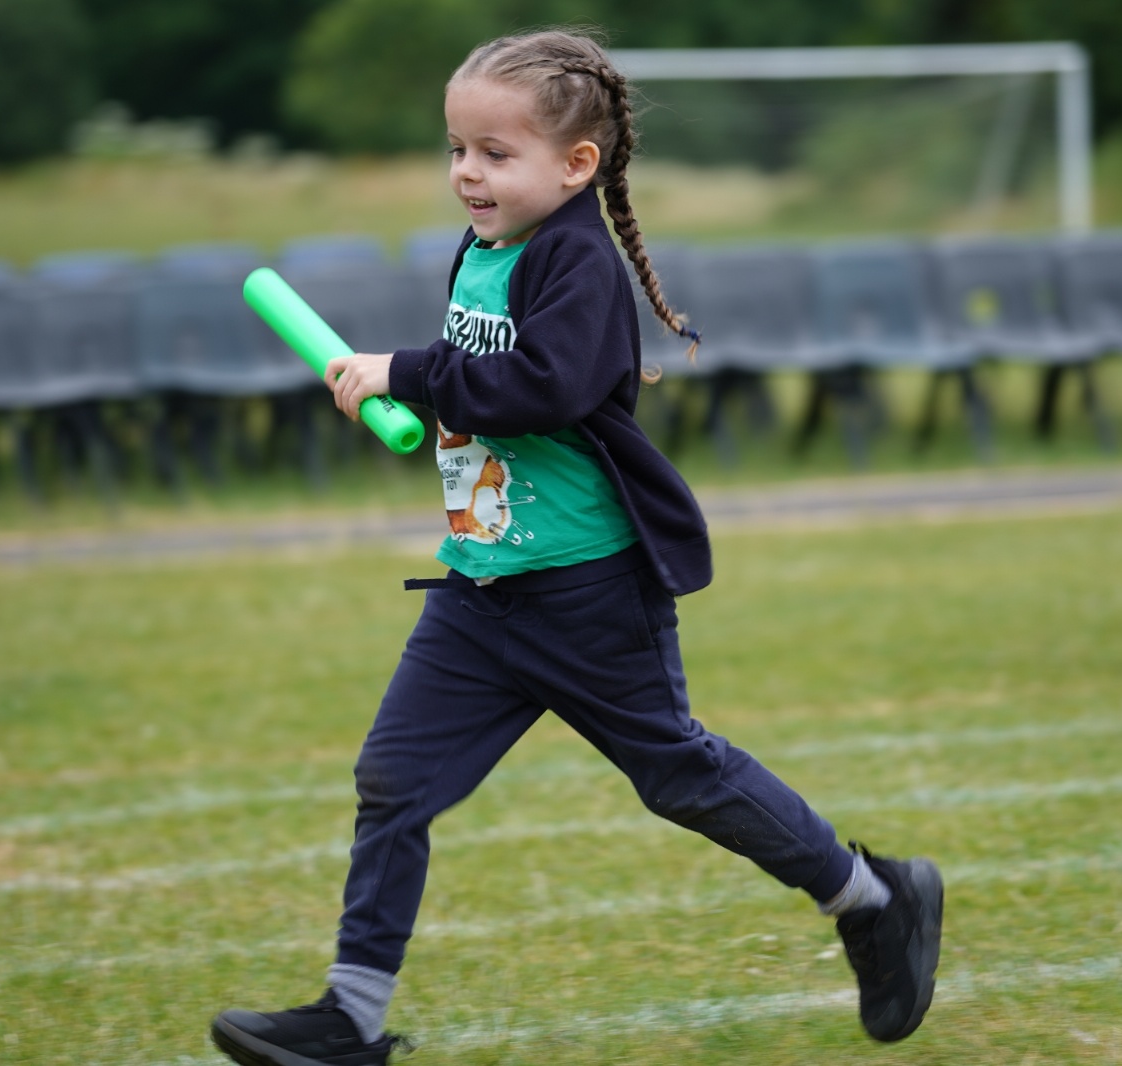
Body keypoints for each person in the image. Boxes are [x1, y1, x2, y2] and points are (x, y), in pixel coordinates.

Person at [208, 30, 942, 1066]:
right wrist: (407, 386)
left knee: (679, 776)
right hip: (479, 592)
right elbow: (474, 380)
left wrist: (404, 373)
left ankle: (874, 898)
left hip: (586, 592)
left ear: (576, 164)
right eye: (457, 149)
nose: (467, 172)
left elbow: (542, 387)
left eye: (494, 153)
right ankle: (350, 1018)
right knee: (394, 780)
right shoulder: (486, 251)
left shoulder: (576, 262)